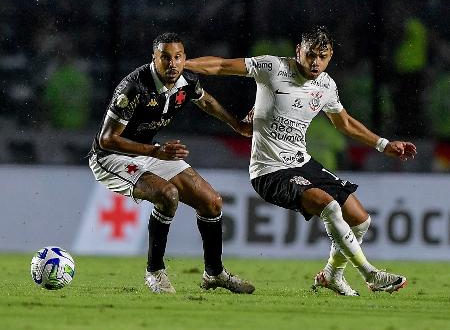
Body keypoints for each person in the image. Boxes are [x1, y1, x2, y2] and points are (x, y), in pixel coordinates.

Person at [185, 25, 417, 296]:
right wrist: (184, 65)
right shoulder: (272, 68)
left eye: (323, 56)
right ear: (298, 52)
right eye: (310, 55)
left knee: (360, 219)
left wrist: (384, 144)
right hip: (269, 170)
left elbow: (344, 123)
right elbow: (223, 66)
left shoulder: (326, 85)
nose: (316, 62)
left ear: (330, 57)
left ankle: (332, 275)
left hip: (302, 162)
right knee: (329, 206)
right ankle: (371, 274)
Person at [88, 32, 254, 294]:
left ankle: (215, 273)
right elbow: (107, 140)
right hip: (111, 157)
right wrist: (155, 152)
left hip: (151, 152)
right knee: (167, 194)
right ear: (154, 59)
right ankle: (154, 272)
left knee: (212, 202)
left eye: (178, 57)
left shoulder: (187, 79)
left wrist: (236, 125)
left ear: (185, 58)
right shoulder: (134, 87)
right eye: (165, 57)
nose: (173, 64)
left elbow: (206, 101)